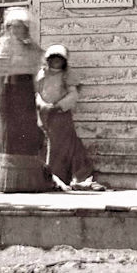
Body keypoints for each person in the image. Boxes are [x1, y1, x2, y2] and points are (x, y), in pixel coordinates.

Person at [0, 7, 55, 192]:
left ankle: (28, 181)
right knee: (10, 135)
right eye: (13, 27)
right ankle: (8, 181)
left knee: (27, 133)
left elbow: (39, 72)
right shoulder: (3, 47)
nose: (16, 30)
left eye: (20, 27)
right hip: (9, 92)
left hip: (26, 94)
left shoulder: (32, 48)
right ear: (7, 28)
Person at [35, 44, 103, 190]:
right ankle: (46, 176)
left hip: (60, 115)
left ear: (64, 61)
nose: (56, 62)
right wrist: (42, 105)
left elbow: (73, 94)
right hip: (43, 114)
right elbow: (37, 93)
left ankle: (61, 176)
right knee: (45, 144)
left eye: (59, 59)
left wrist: (59, 106)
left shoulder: (67, 75)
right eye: (53, 59)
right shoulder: (42, 74)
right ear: (48, 60)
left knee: (61, 145)